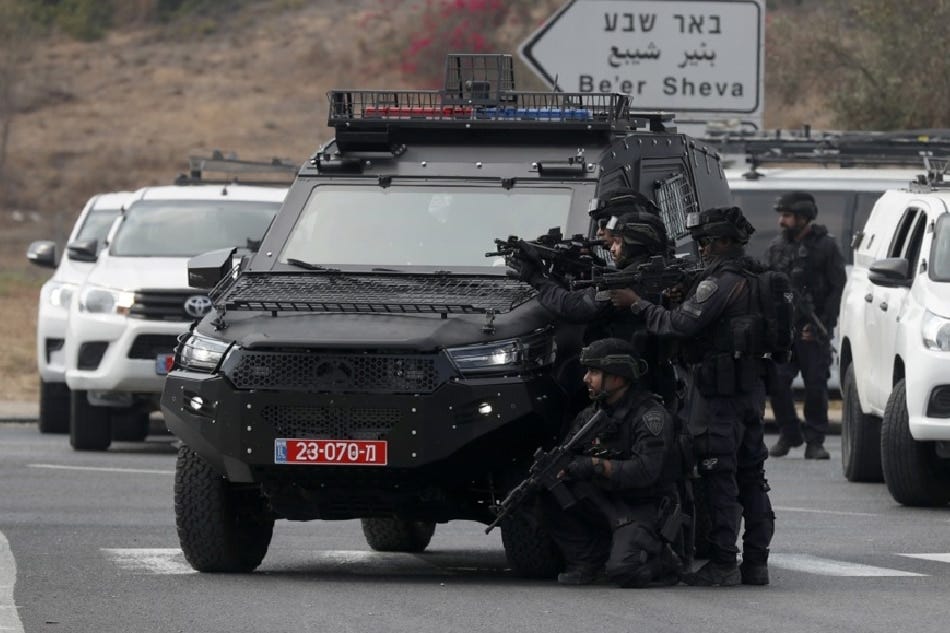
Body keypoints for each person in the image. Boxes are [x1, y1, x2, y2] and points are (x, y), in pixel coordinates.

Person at [609, 206, 774, 587]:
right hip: (750, 388)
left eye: (706, 242)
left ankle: (722, 563)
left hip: (718, 395)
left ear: (724, 242)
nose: (701, 249)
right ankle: (756, 563)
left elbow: (678, 326)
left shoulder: (720, 282)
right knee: (753, 476)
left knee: (719, 476)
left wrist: (637, 303)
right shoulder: (758, 276)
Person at [511, 188, 679, 409]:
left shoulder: (632, 277)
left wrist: (537, 279)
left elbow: (574, 307)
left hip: (629, 383)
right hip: (643, 376)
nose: (601, 235)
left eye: (617, 239)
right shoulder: (652, 267)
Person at [540, 338, 684, 587]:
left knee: (623, 572)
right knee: (550, 490)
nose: (586, 379)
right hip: (609, 500)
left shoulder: (650, 416)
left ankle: (663, 561)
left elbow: (646, 472)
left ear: (618, 377)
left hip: (644, 505)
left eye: (594, 372)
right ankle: (587, 561)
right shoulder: (591, 415)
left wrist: (596, 465)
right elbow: (571, 454)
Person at [765, 192, 847, 460]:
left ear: (803, 217)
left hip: (813, 329)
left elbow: (837, 289)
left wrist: (823, 324)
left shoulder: (825, 247)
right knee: (777, 382)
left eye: (787, 216)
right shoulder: (777, 248)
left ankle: (815, 440)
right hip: (783, 331)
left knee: (815, 386)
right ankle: (790, 433)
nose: (781, 221)